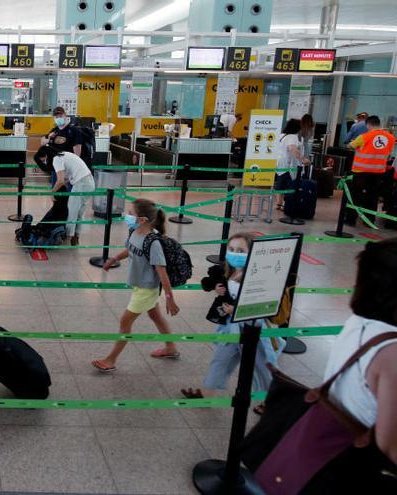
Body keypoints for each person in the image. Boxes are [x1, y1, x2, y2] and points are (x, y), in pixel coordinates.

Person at [180, 232, 285, 415]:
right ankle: (206, 394)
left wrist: (234, 310)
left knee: (263, 366)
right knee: (220, 360)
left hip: (253, 330)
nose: (235, 253)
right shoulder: (232, 271)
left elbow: (259, 305)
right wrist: (219, 291)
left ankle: (273, 402)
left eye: (240, 250)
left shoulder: (258, 276)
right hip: (231, 328)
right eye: (231, 249)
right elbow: (221, 288)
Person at [323, 238, 397, 465]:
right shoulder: (391, 352)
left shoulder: (357, 323)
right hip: (358, 462)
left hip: (330, 445)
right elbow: (390, 446)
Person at [92, 198, 180, 372]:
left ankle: (111, 359)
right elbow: (130, 249)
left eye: (131, 213)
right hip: (140, 286)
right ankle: (171, 348)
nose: (127, 215)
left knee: (125, 320)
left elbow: (162, 273)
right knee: (156, 316)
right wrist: (115, 258)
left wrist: (170, 298)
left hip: (147, 288)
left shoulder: (153, 242)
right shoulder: (134, 232)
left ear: (143, 219)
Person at [34, 145, 94, 246]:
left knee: (72, 210)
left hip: (81, 183)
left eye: (44, 160)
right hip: (89, 182)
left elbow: (60, 181)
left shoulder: (57, 159)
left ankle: (68, 236)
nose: (44, 162)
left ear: (46, 155)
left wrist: (52, 192)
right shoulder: (65, 154)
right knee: (79, 211)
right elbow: (65, 179)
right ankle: (76, 236)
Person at [346, 115, 395, 226]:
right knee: (372, 197)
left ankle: (350, 220)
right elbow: (388, 152)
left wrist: (354, 143)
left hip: (361, 172)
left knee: (355, 197)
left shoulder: (364, 136)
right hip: (378, 174)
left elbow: (350, 145)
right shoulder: (391, 138)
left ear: (368, 124)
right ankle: (369, 221)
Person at [274, 119, 309, 210]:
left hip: (280, 164)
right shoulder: (292, 137)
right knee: (290, 185)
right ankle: (286, 204)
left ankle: (279, 203)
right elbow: (292, 149)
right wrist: (303, 159)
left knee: (280, 184)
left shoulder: (282, 135)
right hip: (289, 165)